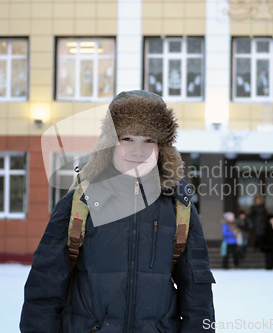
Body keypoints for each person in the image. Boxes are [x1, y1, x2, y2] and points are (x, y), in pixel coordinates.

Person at [20, 90, 215, 332]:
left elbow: (198, 295)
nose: (138, 151)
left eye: (149, 140)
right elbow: (44, 289)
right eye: (128, 139)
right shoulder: (81, 201)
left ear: (162, 148)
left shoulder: (178, 206)